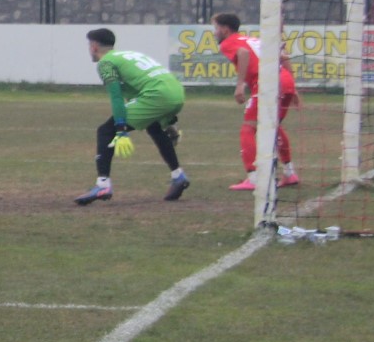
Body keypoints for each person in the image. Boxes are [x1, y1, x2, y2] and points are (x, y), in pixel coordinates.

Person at [75, 28, 188, 205]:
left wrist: (120, 129)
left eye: (89, 45)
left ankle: (103, 184)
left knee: (105, 131)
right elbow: (137, 91)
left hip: (158, 95)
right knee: (154, 127)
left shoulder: (105, 63)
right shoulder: (126, 55)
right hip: (176, 91)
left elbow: (116, 96)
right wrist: (169, 123)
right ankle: (178, 175)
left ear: (95, 46)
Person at [213, 12, 300, 192]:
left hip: (267, 84)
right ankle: (289, 173)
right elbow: (282, 55)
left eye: (216, 28)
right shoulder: (252, 39)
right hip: (284, 81)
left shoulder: (229, 43)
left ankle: (254, 178)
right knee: (273, 126)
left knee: (248, 129)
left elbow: (243, 54)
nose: (215, 32)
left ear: (224, 29)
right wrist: (293, 86)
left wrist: (239, 86)